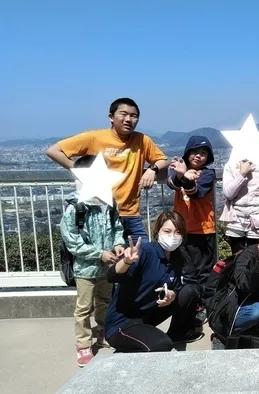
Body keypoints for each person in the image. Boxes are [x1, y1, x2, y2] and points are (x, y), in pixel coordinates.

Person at [45, 98, 169, 240]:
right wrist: (82, 172)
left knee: (143, 255)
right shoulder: (94, 137)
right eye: (123, 114)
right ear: (111, 117)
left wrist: (152, 170)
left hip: (130, 214)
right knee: (108, 258)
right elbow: (53, 151)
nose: (128, 119)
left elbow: (163, 160)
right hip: (100, 212)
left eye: (134, 116)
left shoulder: (142, 140)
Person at [104, 211, 203, 353]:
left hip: (147, 315)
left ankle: (176, 334)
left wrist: (172, 294)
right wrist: (126, 262)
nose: (172, 237)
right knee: (162, 345)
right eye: (167, 231)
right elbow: (112, 276)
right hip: (122, 323)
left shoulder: (177, 257)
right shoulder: (145, 251)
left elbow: (178, 287)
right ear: (157, 231)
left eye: (178, 232)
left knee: (189, 292)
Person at [60, 155, 125, 366]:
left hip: (106, 266)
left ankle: (103, 332)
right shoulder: (75, 208)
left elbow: (117, 228)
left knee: (104, 302)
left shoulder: (109, 203)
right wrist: (99, 254)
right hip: (85, 268)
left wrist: (118, 244)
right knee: (84, 307)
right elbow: (72, 241)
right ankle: (83, 345)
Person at [208, 212, 259, 349]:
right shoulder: (250, 253)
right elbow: (244, 285)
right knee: (257, 310)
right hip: (231, 309)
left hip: (252, 303)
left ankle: (257, 331)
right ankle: (223, 336)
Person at [166, 135, 217, 322]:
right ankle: (190, 304)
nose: (199, 156)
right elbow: (172, 183)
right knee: (186, 272)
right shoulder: (177, 169)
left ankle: (204, 305)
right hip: (181, 230)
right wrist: (181, 175)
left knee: (204, 272)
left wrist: (185, 177)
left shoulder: (208, 174)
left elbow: (195, 193)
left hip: (204, 230)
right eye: (195, 151)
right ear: (187, 153)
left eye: (204, 153)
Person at [220, 151, 259, 255]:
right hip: (235, 219)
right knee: (236, 255)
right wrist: (242, 174)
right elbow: (228, 194)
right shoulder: (230, 166)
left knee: (255, 254)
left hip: (258, 218)